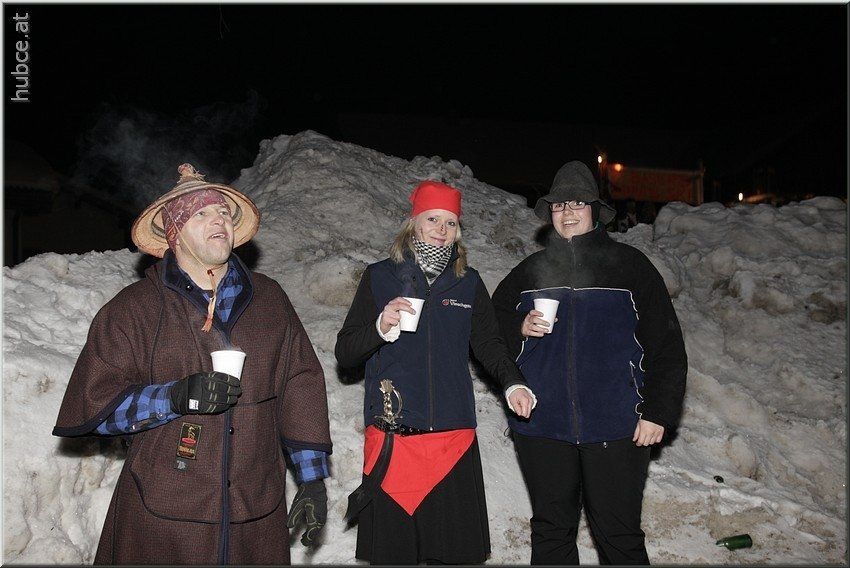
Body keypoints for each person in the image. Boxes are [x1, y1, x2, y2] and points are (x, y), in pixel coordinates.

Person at [52, 164, 332, 565]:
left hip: (254, 511)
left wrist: (312, 477)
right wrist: (174, 397)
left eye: (223, 212)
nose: (218, 219)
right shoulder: (134, 309)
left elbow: (299, 384)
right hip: (163, 514)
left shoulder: (270, 300)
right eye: (201, 213)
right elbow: (96, 404)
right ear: (175, 232)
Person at [492, 161, 687, 565]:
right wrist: (518, 325)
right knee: (551, 533)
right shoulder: (530, 271)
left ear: (595, 210)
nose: (567, 212)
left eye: (577, 203)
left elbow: (667, 346)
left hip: (616, 425)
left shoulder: (630, 266)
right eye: (559, 205)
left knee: (618, 536)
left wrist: (658, 411)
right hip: (542, 425)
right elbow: (486, 330)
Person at [335, 180, 536, 565]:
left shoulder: (468, 282)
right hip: (395, 437)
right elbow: (346, 352)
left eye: (450, 222)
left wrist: (513, 383)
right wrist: (380, 326)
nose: (441, 229)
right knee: (395, 557)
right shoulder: (379, 277)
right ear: (414, 223)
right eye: (432, 219)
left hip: (452, 439)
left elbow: (489, 344)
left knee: (454, 556)